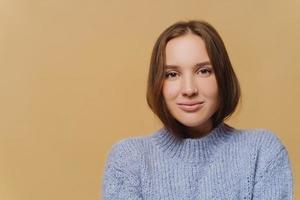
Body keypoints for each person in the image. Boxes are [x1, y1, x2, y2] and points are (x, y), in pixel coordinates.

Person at [102, 20, 293, 199]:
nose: (189, 89)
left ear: (222, 78)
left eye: (203, 71)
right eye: (172, 74)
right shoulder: (129, 159)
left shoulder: (262, 152)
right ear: (157, 84)